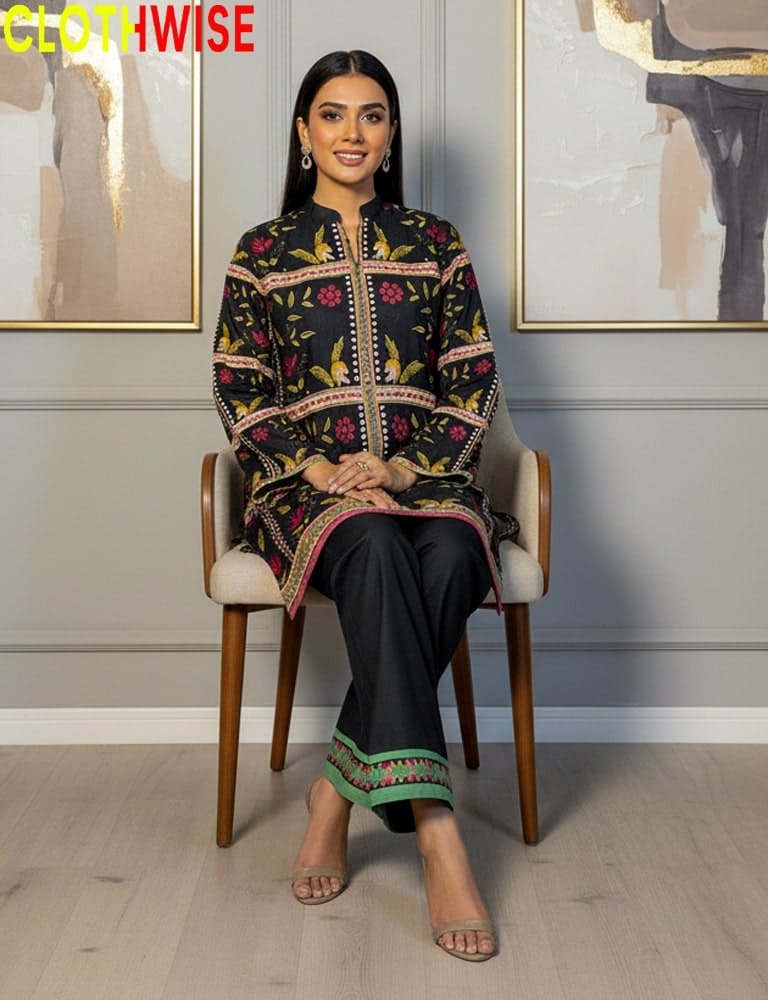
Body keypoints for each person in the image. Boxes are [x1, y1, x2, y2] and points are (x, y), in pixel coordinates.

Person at [213, 49, 514, 962]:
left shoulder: (436, 241)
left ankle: (335, 795)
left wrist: (405, 465)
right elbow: (239, 384)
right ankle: (435, 829)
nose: (353, 133)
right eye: (333, 115)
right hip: (307, 493)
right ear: (304, 133)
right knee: (375, 543)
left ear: (391, 134)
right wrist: (314, 468)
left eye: (372, 115)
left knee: (459, 554)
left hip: (428, 477)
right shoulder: (261, 251)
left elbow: (472, 375)